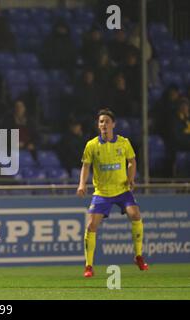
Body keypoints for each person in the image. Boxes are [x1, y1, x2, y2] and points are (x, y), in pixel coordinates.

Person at [77, 108, 149, 278]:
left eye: (107, 121)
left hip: (122, 190)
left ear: (113, 124)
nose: (104, 124)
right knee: (91, 225)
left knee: (136, 214)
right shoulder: (92, 145)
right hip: (102, 192)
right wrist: (82, 184)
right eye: (101, 122)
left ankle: (138, 256)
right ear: (98, 125)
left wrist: (131, 178)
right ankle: (89, 266)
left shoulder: (123, 143)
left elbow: (131, 161)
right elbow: (86, 166)